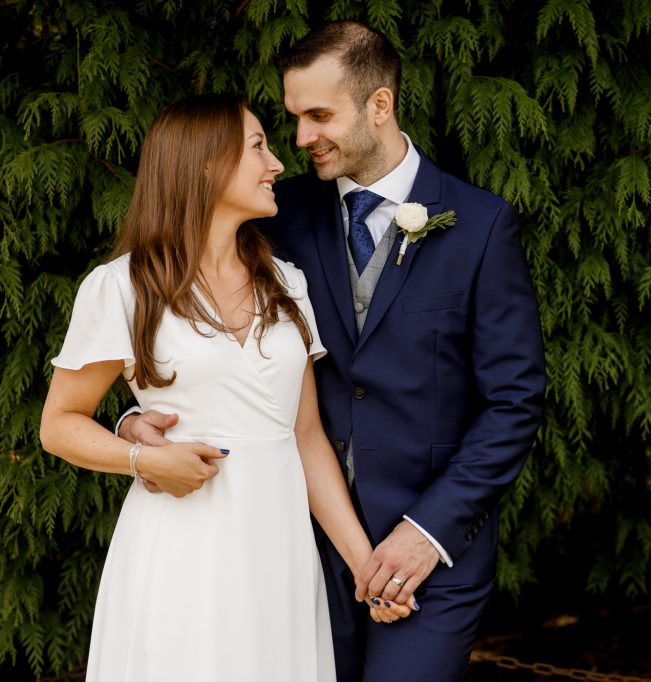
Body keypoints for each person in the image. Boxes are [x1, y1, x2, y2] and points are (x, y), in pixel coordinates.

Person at [122, 20, 546, 682]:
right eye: (292, 118)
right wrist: (139, 419)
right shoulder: (272, 212)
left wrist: (426, 531)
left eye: (319, 115)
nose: (299, 140)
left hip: (428, 552)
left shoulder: (480, 226)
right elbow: (191, 322)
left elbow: (514, 403)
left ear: (380, 105)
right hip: (292, 546)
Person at [40, 94, 411, 682]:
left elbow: (307, 438)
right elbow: (58, 424)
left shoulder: (287, 283)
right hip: (179, 546)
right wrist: (139, 458)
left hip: (279, 550)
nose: (278, 164)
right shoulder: (122, 287)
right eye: (259, 147)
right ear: (206, 165)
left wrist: (365, 567)